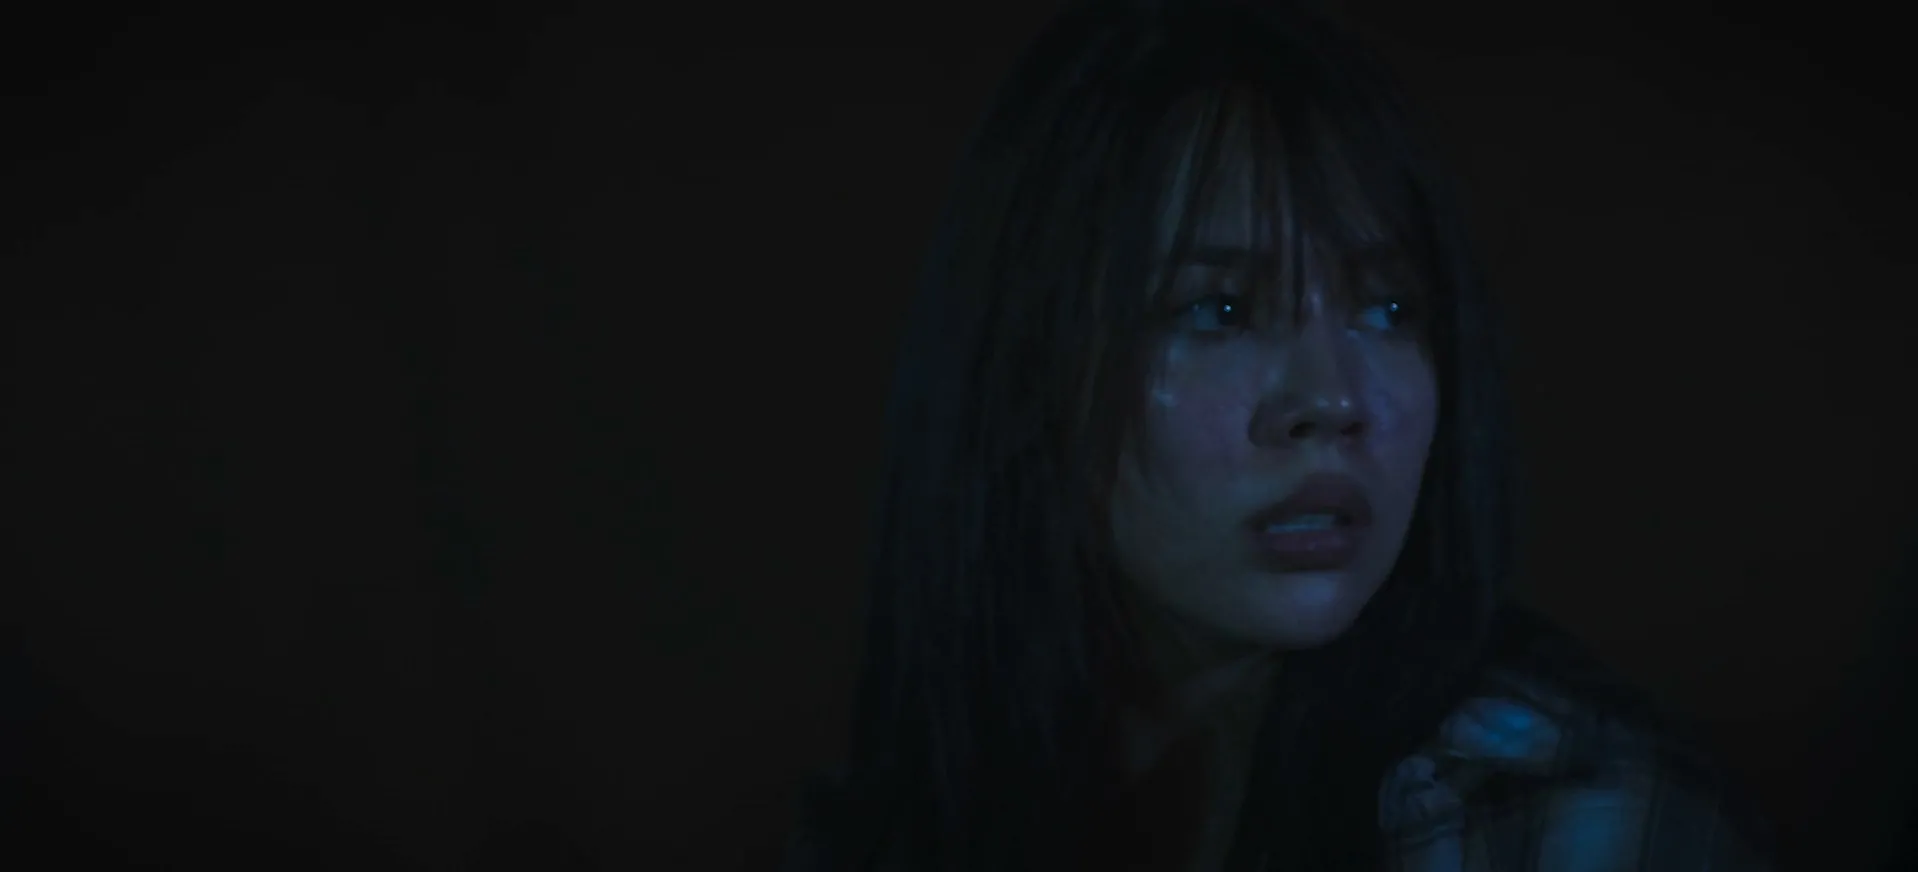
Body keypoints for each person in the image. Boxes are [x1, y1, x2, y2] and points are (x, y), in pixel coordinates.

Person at [780, 0, 1773, 869]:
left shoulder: (1565, 824)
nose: (1331, 398)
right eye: (1217, 310)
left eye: (1387, 309)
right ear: (1029, 363)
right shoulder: (914, 816)